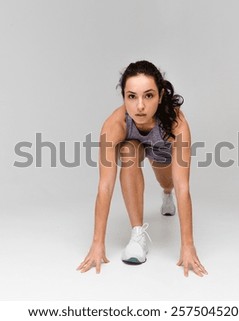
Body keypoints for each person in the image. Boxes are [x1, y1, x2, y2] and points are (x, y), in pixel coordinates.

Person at [77, 60, 207, 277]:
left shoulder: (176, 123)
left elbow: (183, 186)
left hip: (162, 151)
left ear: (160, 95)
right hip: (133, 144)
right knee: (128, 151)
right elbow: (105, 186)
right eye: (132, 96)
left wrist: (188, 246)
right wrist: (97, 243)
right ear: (124, 97)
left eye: (148, 96)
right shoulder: (114, 125)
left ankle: (166, 195)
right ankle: (138, 235)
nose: (139, 106)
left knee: (168, 182)